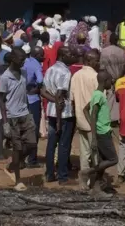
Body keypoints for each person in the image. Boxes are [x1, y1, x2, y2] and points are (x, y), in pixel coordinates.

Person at [0, 47, 38, 191]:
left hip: (25, 114)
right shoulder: (5, 78)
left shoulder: (23, 73)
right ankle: (18, 180)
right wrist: (5, 124)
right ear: (13, 59)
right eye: (21, 59)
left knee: (32, 144)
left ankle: (12, 164)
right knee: (17, 148)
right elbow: (2, 101)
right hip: (12, 117)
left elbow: (23, 93)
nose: (24, 62)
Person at [80, 71, 118, 195]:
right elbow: (93, 113)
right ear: (105, 80)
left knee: (102, 162)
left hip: (103, 131)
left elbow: (85, 109)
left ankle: (96, 188)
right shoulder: (98, 96)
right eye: (110, 80)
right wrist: (94, 136)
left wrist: (94, 123)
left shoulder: (99, 95)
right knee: (113, 159)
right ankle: (86, 172)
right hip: (102, 133)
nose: (111, 83)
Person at [43, 47, 75, 184]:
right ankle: (62, 177)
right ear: (62, 55)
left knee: (51, 144)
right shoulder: (65, 72)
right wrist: (59, 121)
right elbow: (60, 97)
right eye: (69, 54)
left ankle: (49, 174)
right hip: (63, 114)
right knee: (63, 145)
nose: (72, 56)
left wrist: (53, 101)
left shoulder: (50, 69)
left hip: (51, 112)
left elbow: (43, 91)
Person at [70, 50, 100, 176]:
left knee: (84, 151)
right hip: (94, 121)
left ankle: (85, 179)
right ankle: (97, 179)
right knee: (96, 152)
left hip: (80, 119)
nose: (98, 63)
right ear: (89, 61)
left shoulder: (76, 75)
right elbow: (100, 100)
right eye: (96, 60)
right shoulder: (95, 77)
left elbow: (72, 99)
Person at [100, 33, 125, 140]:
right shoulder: (122, 52)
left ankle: (108, 119)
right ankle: (115, 120)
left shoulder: (104, 51)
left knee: (109, 98)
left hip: (108, 79)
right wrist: (118, 76)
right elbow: (124, 66)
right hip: (118, 78)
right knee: (117, 100)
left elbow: (102, 66)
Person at [23, 46, 44, 167]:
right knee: (34, 129)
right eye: (41, 55)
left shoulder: (23, 62)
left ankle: (22, 157)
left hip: (22, 99)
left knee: (24, 129)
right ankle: (32, 159)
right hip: (33, 99)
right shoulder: (36, 64)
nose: (43, 57)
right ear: (36, 55)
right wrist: (37, 89)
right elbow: (41, 80)